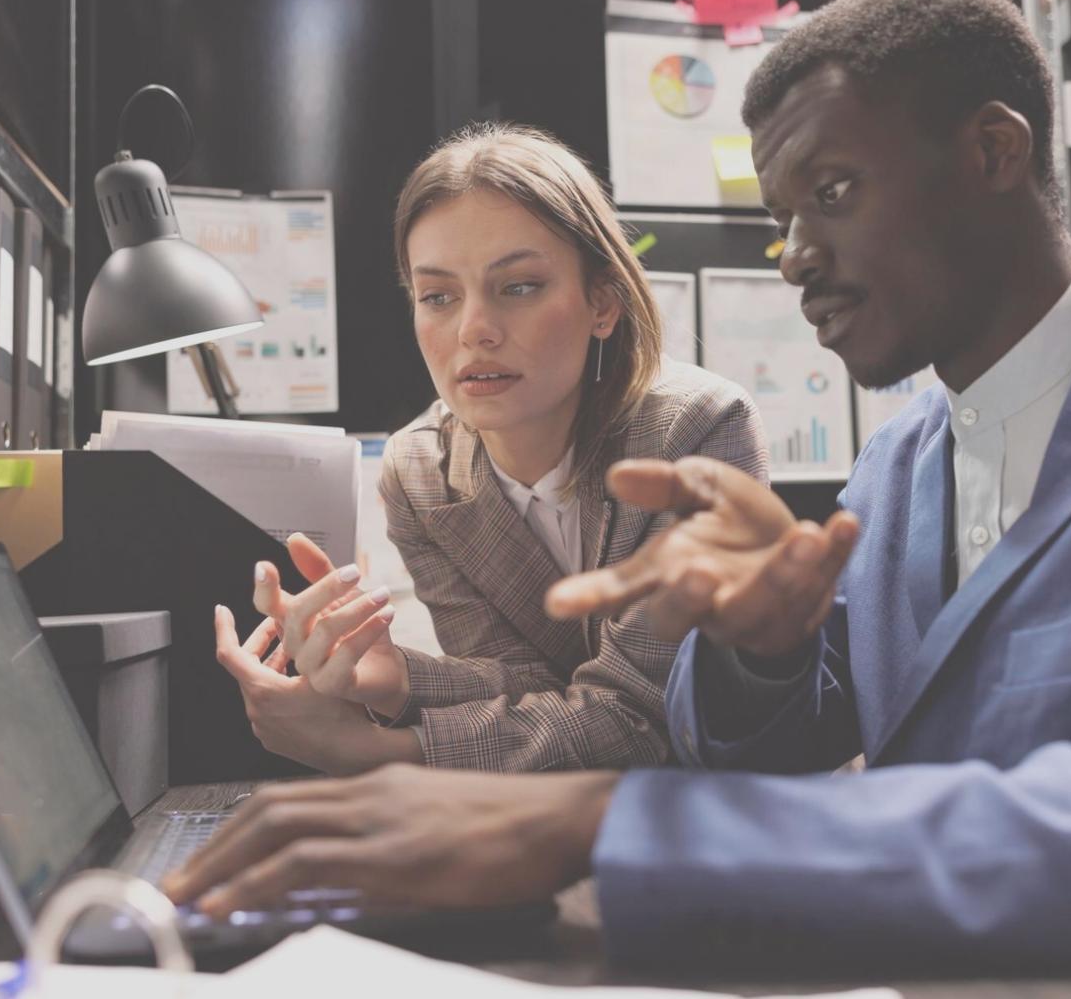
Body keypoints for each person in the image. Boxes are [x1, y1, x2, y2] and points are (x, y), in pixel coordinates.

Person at [167, 0, 1071, 997]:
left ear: (993, 153)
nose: (794, 255)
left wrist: (596, 823)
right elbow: (785, 734)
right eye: (780, 217)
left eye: (833, 193)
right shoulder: (905, 454)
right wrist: (760, 651)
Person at [212, 123, 767, 775]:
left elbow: (641, 719)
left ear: (603, 303)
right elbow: (523, 685)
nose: (473, 329)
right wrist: (392, 677)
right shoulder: (419, 473)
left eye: (519, 286)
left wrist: (385, 752)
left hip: (723, 803)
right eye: (438, 297)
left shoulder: (696, 430)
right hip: (553, 810)